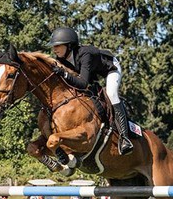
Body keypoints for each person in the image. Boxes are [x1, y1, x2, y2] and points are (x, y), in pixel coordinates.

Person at [48, 26, 134, 155]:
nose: (54, 49)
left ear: (69, 46)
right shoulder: (61, 60)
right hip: (92, 73)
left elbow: (82, 83)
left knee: (111, 94)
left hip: (110, 69)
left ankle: (125, 138)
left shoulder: (85, 54)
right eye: (54, 46)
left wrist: (64, 74)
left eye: (58, 46)